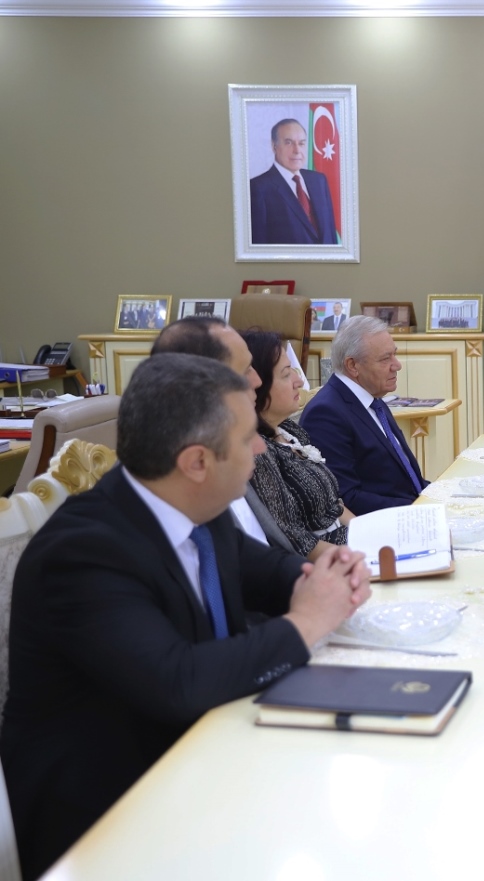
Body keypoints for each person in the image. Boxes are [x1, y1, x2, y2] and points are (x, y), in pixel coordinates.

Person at [1, 354, 372, 879]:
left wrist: (322, 575)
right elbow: (178, 681)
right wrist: (306, 622)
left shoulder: (193, 506)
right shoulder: (84, 552)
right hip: (113, 816)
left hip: (205, 758)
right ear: (197, 462)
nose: (261, 447)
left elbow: (266, 570)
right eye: (247, 437)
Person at [151, 315, 282, 549]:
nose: (258, 380)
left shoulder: (218, 439)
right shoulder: (167, 482)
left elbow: (253, 555)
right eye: (245, 370)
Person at [242, 329, 352, 559]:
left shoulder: (289, 430)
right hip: (329, 559)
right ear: (257, 385)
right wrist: (365, 556)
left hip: (350, 542)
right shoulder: (259, 451)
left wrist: (372, 533)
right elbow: (295, 541)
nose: (299, 381)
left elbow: (335, 506)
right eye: (286, 374)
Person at [300, 315, 428, 514]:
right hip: (385, 524)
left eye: (394, 355)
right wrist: (421, 509)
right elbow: (345, 498)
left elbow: (404, 481)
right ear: (353, 366)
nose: (397, 365)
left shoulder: (372, 397)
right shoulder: (325, 414)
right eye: (385, 359)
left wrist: (441, 495)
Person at [249, 119, 337, 246]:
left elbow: (331, 235)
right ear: (274, 146)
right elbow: (259, 247)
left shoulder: (319, 181)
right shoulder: (258, 189)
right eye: (288, 143)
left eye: (301, 143)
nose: (297, 150)